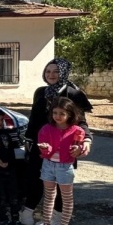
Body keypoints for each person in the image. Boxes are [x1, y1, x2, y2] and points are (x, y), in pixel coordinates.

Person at [20, 58, 93, 225]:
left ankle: (57, 220)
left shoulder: (73, 93)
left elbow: (81, 121)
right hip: (40, 146)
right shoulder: (40, 92)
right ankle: (27, 214)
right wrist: (28, 141)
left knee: (61, 187)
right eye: (48, 71)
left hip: (65, 147)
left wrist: (86, 140)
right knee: (35, 180)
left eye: (56, 71)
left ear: (63, 72)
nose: (51, 75)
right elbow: (34, 119)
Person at [36, 97, 85, 225]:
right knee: (49, 197)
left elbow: (81, 148)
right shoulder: (46, 129)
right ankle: (47, 222)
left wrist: (79, 148)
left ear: (69, 114)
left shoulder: (77, 130)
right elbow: (44, 149)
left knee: (67, 199)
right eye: (55, 113)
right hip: (48, 165)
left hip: (65, 167)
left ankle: (63, 223)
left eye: (62, 113)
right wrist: (45, 148)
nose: (57, 116)